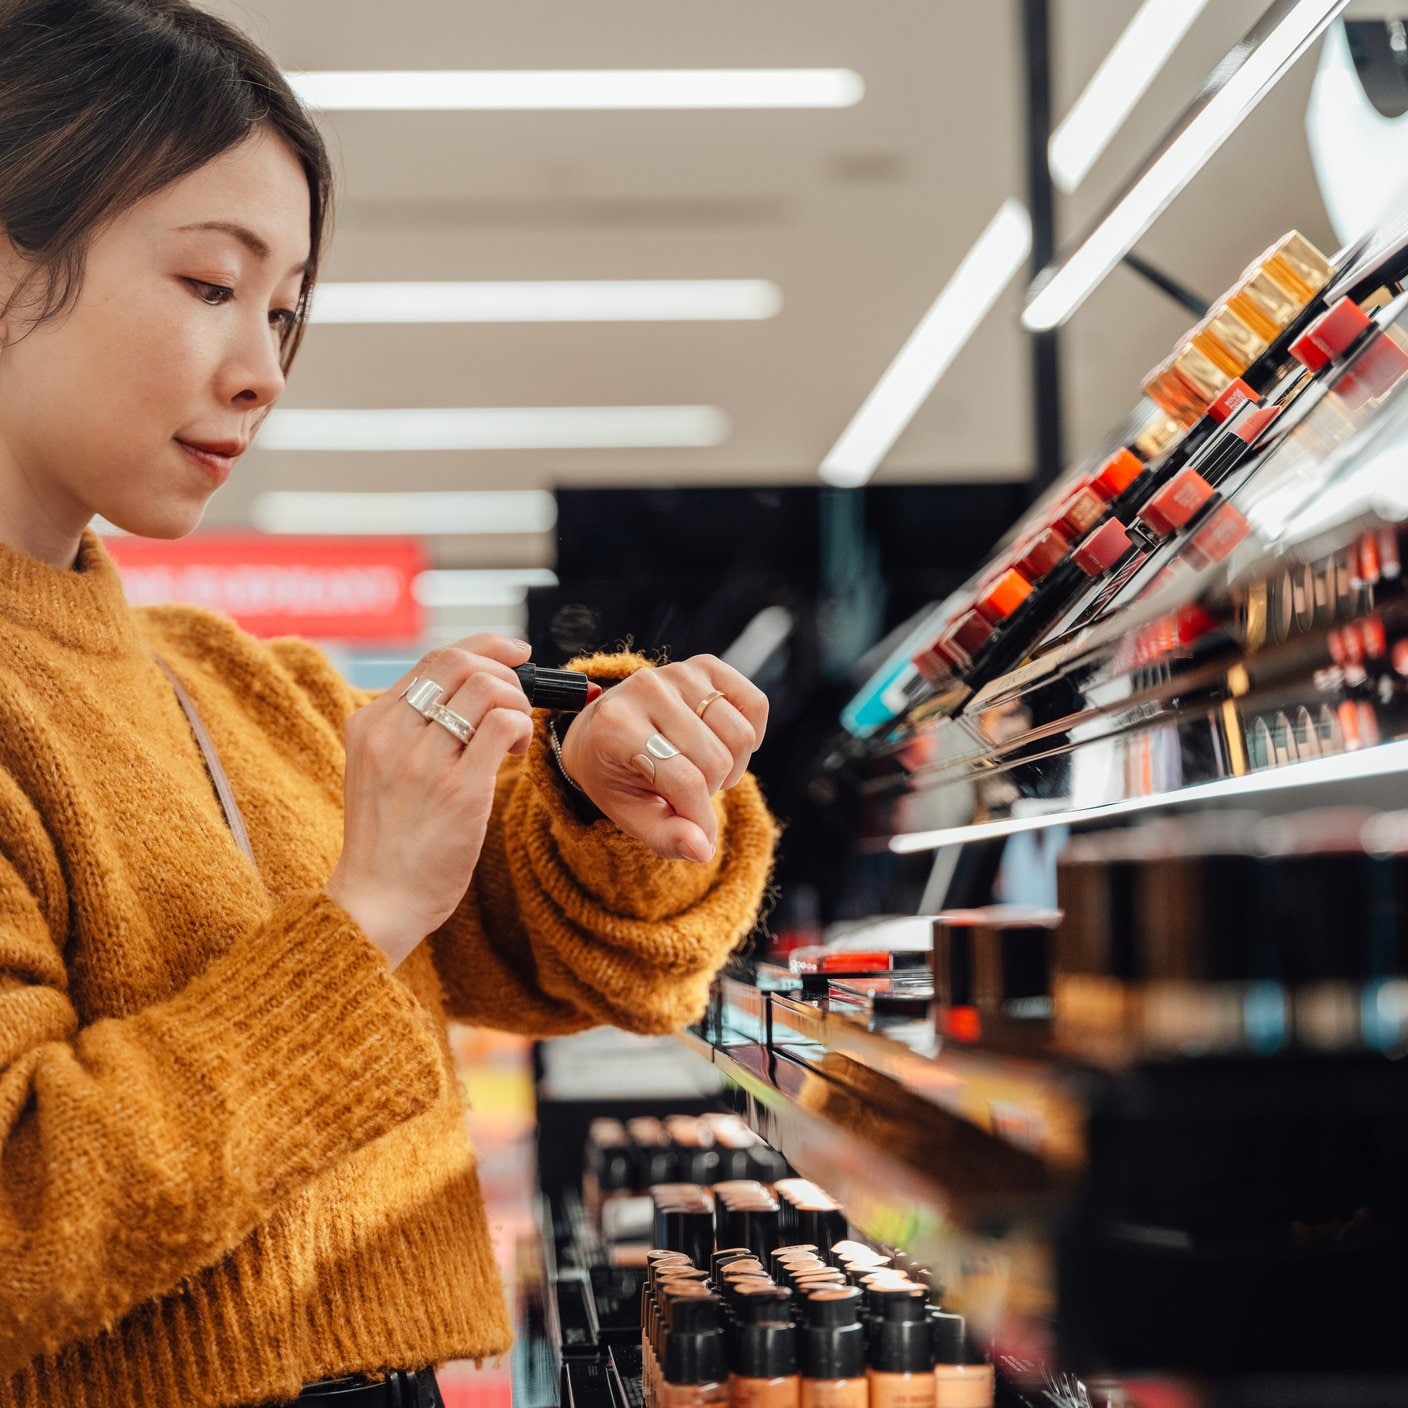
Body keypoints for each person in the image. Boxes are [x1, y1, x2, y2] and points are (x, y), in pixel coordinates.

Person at [0, 3, 780, 1405]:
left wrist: (605, 796)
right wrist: (362, 917)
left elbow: (582, 965)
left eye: (288, 307)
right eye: (209, 285)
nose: (265, 369)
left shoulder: (248, 688)